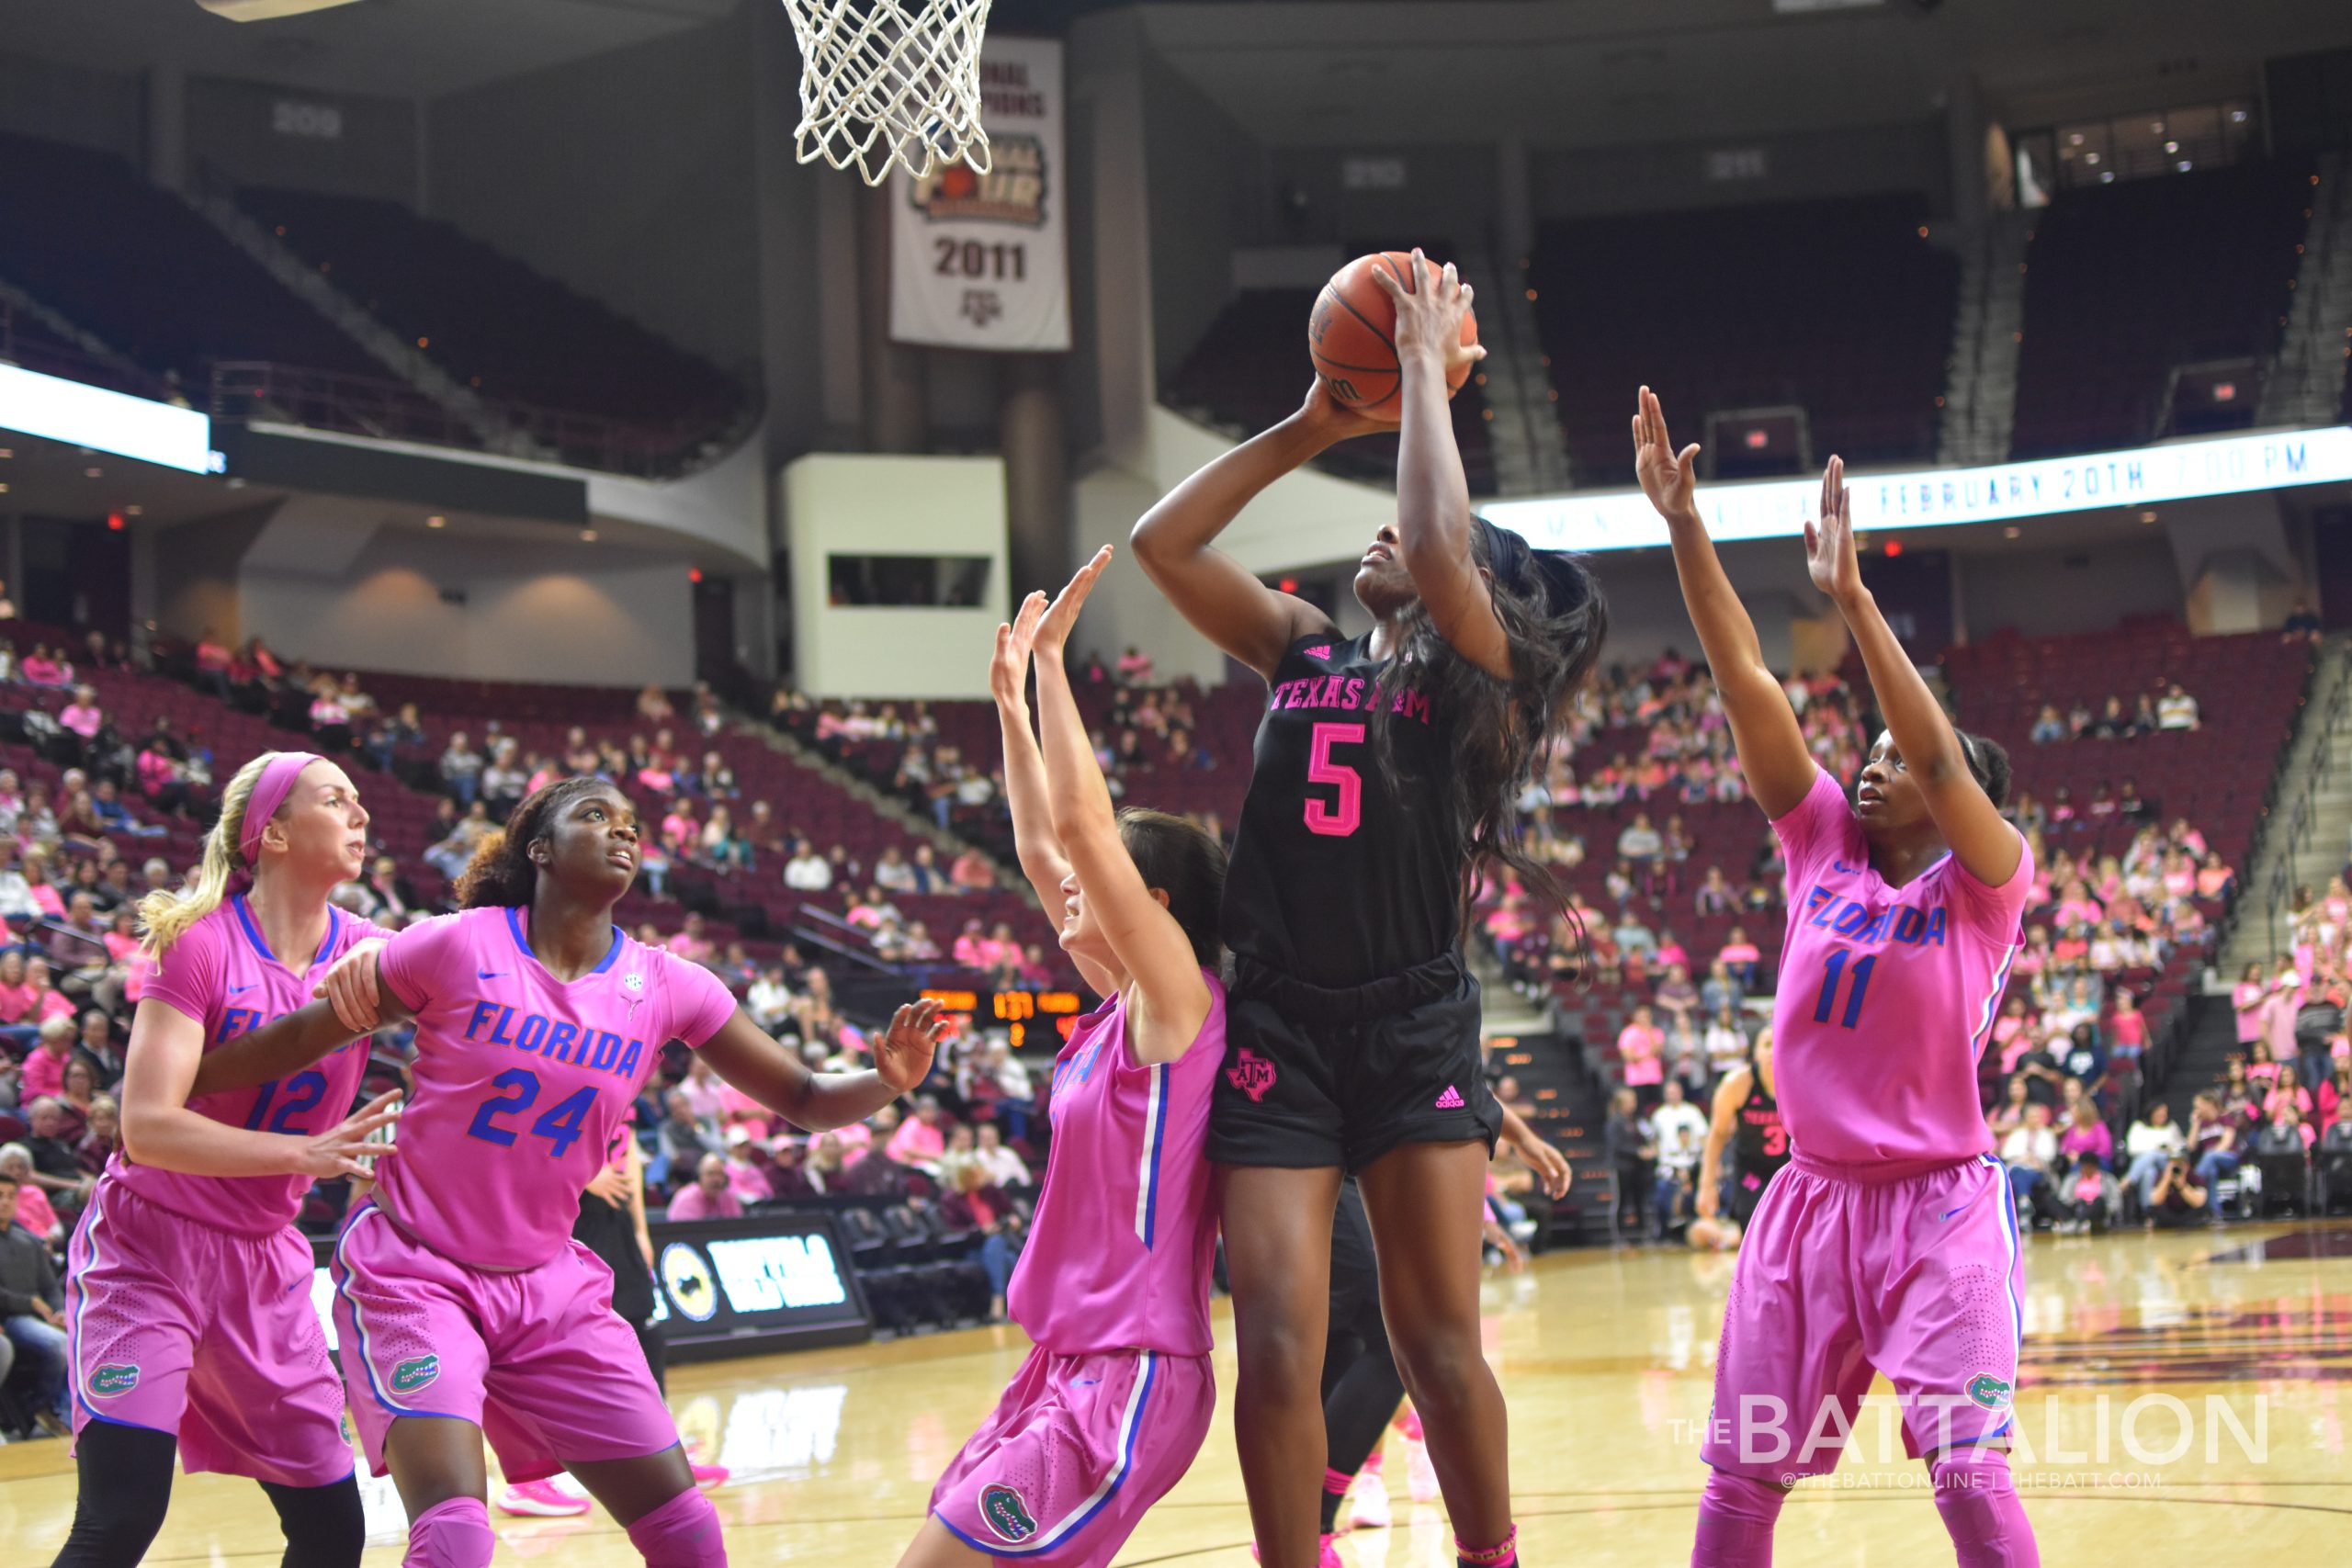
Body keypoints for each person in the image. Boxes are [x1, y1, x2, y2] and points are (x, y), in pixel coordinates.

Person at [1132, 253, 1605, 1568]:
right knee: (1276, 1339)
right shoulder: (1303, 648)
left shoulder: (1486, 685)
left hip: (1408, 1033)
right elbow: (1161, 544)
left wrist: (1416, 376)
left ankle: (1489, 1555)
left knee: (1434, 1348)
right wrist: (1313, 424)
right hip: (1281, 1021)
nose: (1389, 538)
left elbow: (1446, 545)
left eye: (1422, 538)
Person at [185, 776, 946, 1568]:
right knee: (454, 1538)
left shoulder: (667, 985)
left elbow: (804, 1096)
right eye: (596, 816)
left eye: (633, 823)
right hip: (415, 1272)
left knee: (690, 1533)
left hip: (551, 1285)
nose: (623, 832)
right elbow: (300, 1037)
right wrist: (187, 1083)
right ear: (539, 849)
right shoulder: (454, 944)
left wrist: (889, 1079)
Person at [1635, 393, 2038, 1566]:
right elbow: (1747, 687)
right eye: (1860, 752)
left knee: (1965, 1470)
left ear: (1958, 793)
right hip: (1808, 1204)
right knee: (1739, 1481)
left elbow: (1929, 751)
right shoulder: (1817, 845)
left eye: (1897, 760)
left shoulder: (1987, 881)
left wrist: (1855, 600)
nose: (1869, 767)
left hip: (1937, 1210)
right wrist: (1683, 527)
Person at [894, 562, 1229, 1568]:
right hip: (1058, 1361)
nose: (1065, 893)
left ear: (1154, 907)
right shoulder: (1110, 1011)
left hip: (1131, 1371)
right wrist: (1009, 705)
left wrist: (1053, 666)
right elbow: (1048, 847)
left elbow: (1079, 832)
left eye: (1103, 885)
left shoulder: (1182, 1010)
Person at [50, 751, 403, 1568]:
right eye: (335, 799)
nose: (360, 814)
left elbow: (485, 989)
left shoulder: (375, 953)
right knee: (120, 1518)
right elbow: (146, 1125)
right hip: (150, 1248)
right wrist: (303, 1151)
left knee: (332, 1531)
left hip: (264, 1265)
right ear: (271, 832)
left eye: (359, 798)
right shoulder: (199, 946)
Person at [1694, 1028, 1785, 1250]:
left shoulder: (1799, 1081)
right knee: (1754, 1232)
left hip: (1789, 1170)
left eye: (1777, 1042)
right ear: (1754, 1053)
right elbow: (1717, 1134)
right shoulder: (1737, 1084)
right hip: (1751, 1171)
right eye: (1766, 1044)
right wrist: (1707, 1185)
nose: (1773, 1050)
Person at [1, 1167, 69, 1437]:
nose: (5, 1201)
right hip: (11, 1317)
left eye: (10, 1195)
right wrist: (29, 1302)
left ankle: (62, 1410)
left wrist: (60, 1310)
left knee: (79, 1336)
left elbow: (50, 1287)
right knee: (58, 1343)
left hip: (33, 1317)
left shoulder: (29, 1241)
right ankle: (38, 1407)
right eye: (0, 1195)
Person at [666, 1153, 742, 1221]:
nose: (716, 1179)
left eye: (720, 1174)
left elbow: (739, 1229)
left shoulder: (729, 1198)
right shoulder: (687, 1199)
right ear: (699, 1177)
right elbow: (686, 1234)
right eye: (710, 1174)